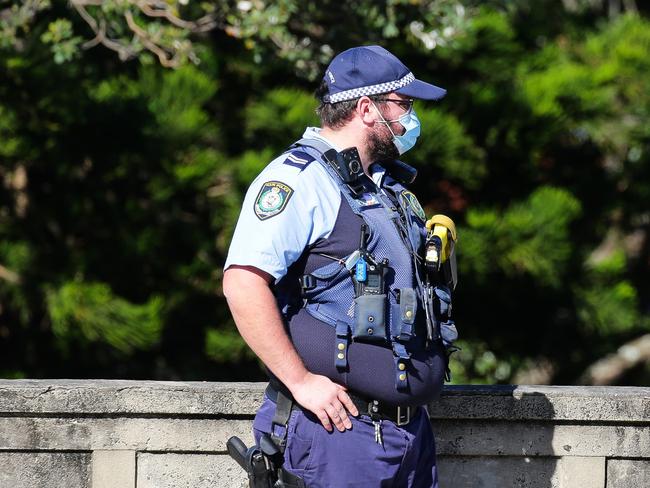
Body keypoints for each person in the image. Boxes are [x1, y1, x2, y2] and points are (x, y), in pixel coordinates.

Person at [223, 45, 454, 488]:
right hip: (339, 434)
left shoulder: (382, 186)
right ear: (367, 108)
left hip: (404, 435)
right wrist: (302, 381)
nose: (410, 120)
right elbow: (242, 283)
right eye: (403, 106)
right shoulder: (298, 179)